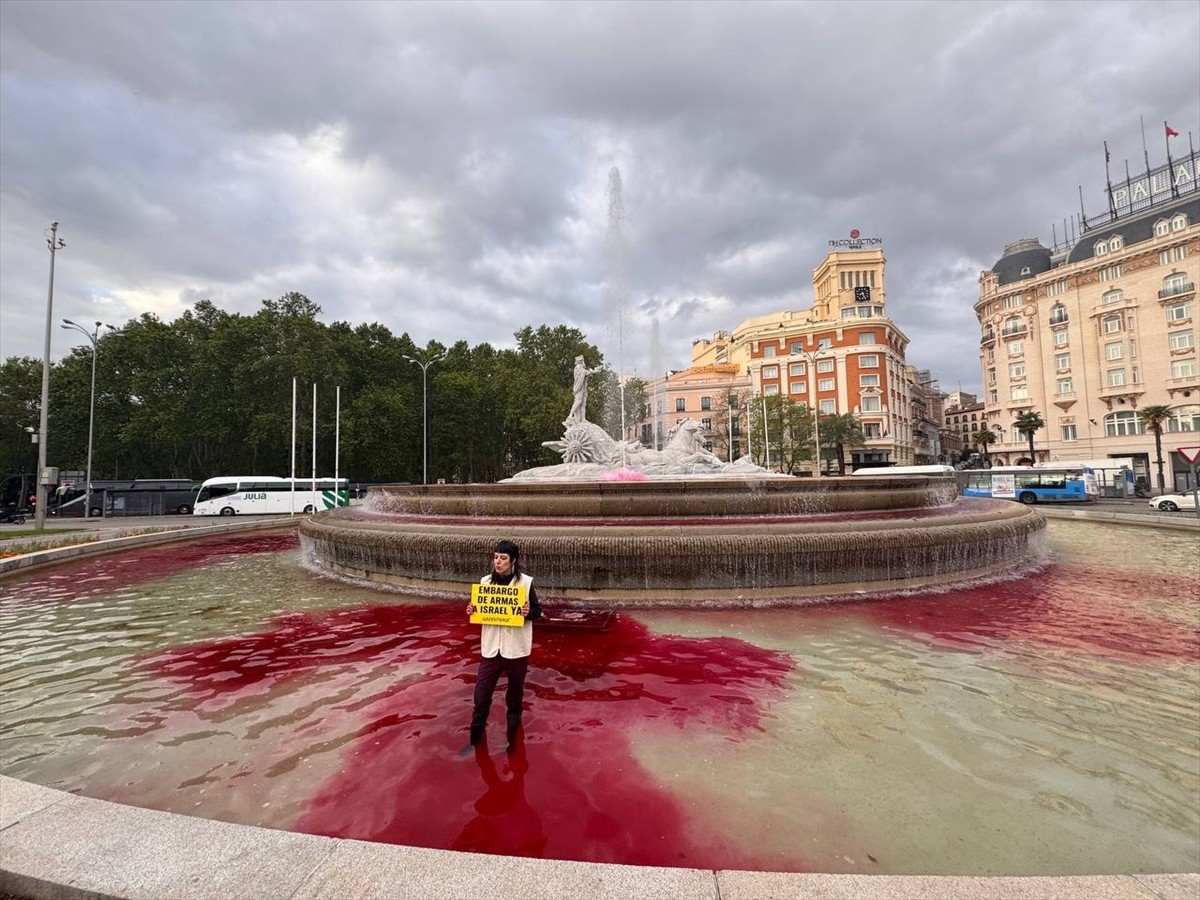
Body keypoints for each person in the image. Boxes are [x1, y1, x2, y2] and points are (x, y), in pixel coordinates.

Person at [466, 539, 541, 750]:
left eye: (503, 558)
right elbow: (480, 610)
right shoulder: (485, 582)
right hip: (491, 650)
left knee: (514, 700)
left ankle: (513, 743)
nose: (498, 562)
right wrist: (472, 609)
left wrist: (529, 613)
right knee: (481, 698)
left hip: (516, 651)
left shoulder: (525, 583)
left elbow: (537, 611)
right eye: (496, 557)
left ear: (513, 561)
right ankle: (474, 742)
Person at [567, 355, 602, 424]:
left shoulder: (581, 368)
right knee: (578, 401)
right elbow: (583, 373)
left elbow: (586, 374)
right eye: (581, 360)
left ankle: (583, 419)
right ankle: (570, 415)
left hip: (583, 388)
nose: (583, 362)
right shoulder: (578, 367)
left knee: (583, 403)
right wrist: (593, 371)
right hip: (578, 387)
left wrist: (594, 371)